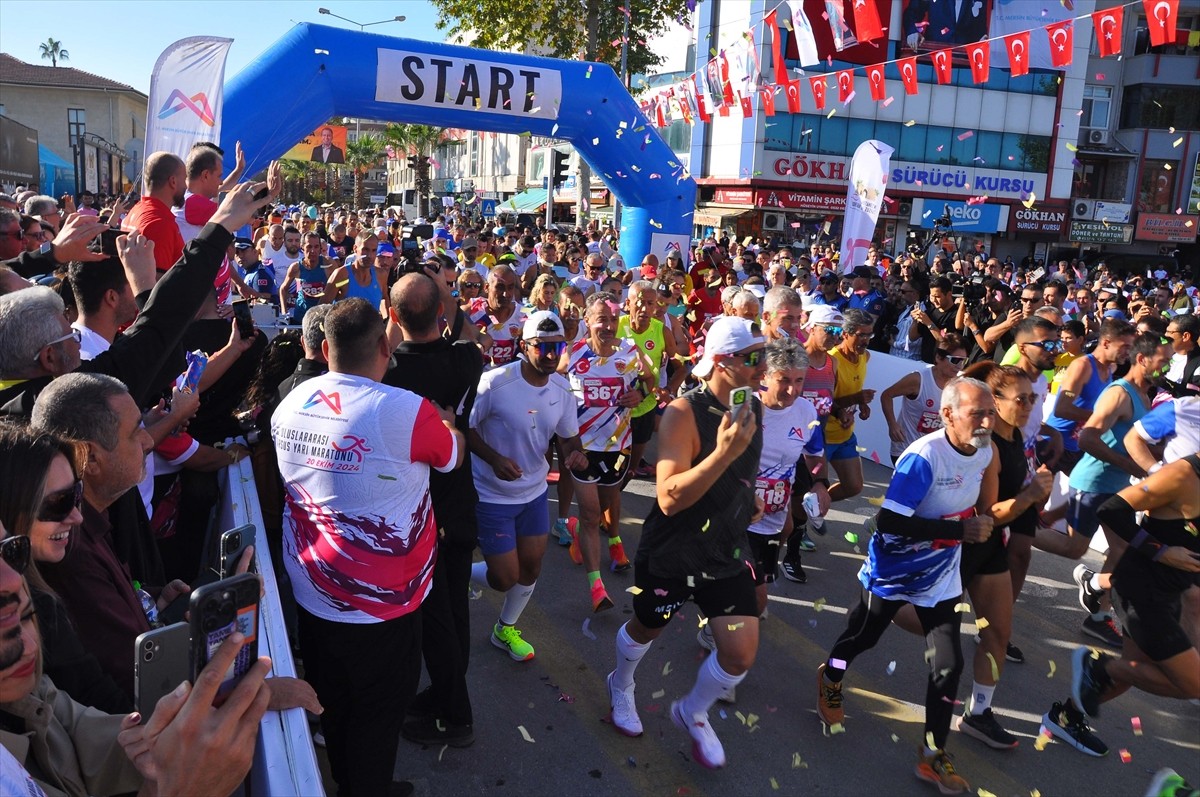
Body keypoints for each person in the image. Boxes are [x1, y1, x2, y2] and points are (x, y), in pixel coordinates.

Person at [273, 298, 463, 797]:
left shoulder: (291, 400)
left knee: (333, 702)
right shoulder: (402, 408)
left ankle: (352, 782)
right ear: (384, 346)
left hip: (314, 591)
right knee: (378, 718)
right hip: (383, 606)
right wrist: (449, 425)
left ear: (325, 349)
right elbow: (450, 457)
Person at [817, 377, 996, 796]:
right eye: (977, 413)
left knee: (948, 664)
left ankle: (933, 753)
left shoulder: (983, 450)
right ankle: (831, 676)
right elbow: (889, 521)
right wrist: (960, 531)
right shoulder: (924, 457)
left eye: (991, 412)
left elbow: (970, 508)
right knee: (862, 637)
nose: (988, 421)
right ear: (948, 415)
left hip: (940, 577)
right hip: (893, 571)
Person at [604, 316, 766, 770]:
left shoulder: (753, 407)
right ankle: (621, 682)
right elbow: (669, 498)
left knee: (740, 653)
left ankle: (693, 710)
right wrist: (724, 453)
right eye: (753, 357)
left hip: (725, 551)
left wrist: (748, 500)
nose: (762, 366)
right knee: (647, 627)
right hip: (674, 551)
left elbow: (742, 473)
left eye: (764, 356)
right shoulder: (681, 412)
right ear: (722, 362)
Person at [382, 272, 485, 748]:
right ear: (440, 313)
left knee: (435, 619)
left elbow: (390, 342)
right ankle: (449, 692)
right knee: (454, 611)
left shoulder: (389, 374)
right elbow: (467, 332)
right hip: (459, 499)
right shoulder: (467, 358)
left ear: (394, 315)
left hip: (419, 510)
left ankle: (455, 713)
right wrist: (441, 291)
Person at [1046, 457, 1200, 758]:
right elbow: (1112, 509)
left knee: (1135, 669)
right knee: (1193, 685)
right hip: (1141, 591)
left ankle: (1065, 717)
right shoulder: (1183, 474)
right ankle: (1098, 666)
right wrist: (1162, 552)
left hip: (1169, 593)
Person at [468, 311, 589, 661]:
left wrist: (576, 455)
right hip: (491, 494)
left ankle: (504, 629)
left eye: (557, 347)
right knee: (505, 577)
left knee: (532, 567)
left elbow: (569, 438)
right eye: (542, 347)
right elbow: (466, 428)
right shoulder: (494, 383)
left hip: (534, 493)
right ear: (524, 346)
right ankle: (456, 570)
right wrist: (494, 459)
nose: (551, 355)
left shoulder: (562, 389)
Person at [1040, 334, 1172, 648]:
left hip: (1116, 486)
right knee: (1075, 548)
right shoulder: (1120, 393)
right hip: (1095, 482)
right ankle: (1012, 532)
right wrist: (1130, 465)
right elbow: (1087, 438)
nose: (1167, 367)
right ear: (1142, 359)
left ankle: (1098, 616)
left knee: (1123, 551)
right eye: (1163, 361)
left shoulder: (1144, 395)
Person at [563, 292, 654, 610]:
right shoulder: (573, 352)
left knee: (602, 505)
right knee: (591, 515)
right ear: (587, 320)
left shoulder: (629, 351)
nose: (609, 325)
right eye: (601, 319)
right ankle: (596, 588)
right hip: (583, 449)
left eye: (613, 319)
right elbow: (552, 384)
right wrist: (563, 436)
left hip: (618, 449)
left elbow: (650, 380)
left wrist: (639, 394)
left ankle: (575, 528)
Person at [780, 305, 842, 578]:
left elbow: (828, 400)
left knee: (801, 505)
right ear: (812, 328)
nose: (835, 335)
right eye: (830, 329)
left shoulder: (833, 363)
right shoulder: (797, 359)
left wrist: (841, 412)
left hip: (814, 444)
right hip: (788, 442)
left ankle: (791, 556)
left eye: (839, 330)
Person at [1045, 319, 1136, 473]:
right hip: (1055, 444)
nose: (1128, 352)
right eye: (1124, 347)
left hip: (1077, 446)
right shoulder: (1082, 366)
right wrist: (1103, 417)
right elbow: (1061, 409)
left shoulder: (1110, 368)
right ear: (1106, 343)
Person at [616, 280, 677, 484]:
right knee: (613, 469)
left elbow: (681, 366)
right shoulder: (616, 326)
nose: (644, 308)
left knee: (631, 470)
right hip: (616, 409)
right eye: (640, 302)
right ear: (628, 303)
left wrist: (669, 389)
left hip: (645, 408)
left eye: (650, 303)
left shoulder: (662, 331)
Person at [881, 334, 968, 465]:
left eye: (964, 361)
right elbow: (887, 395)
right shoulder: (918, 380)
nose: (960, 366)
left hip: (934, 454)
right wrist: (892, 425)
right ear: (939, 357)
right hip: (907, 450)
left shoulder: (959, 385)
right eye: (955, 360)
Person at [825, 308, 875, 502]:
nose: (866, 340)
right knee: (806, 487)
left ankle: (815, 505)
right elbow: (823, 402)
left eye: (869, 335)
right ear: (845, 334)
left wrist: (862, 404)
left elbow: (853, 389)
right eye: (861, 335)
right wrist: (856, 398)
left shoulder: (865, 356)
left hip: (845, 436)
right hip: (823, 437)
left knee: (853, 486)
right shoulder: (832, 361)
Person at [121, 151, 187, 273]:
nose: (186, 186)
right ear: (173, 181)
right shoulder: (160, 223)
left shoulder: (136, 210)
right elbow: (156, 281)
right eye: (185, 179)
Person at [324, 231, 387, 315]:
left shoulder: (381, 275)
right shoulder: (342, 275)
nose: (369, 255)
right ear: (355, 248)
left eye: (374, 250)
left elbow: (384, 298)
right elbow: (322, 309)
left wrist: (386, 318)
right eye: (365, 249)